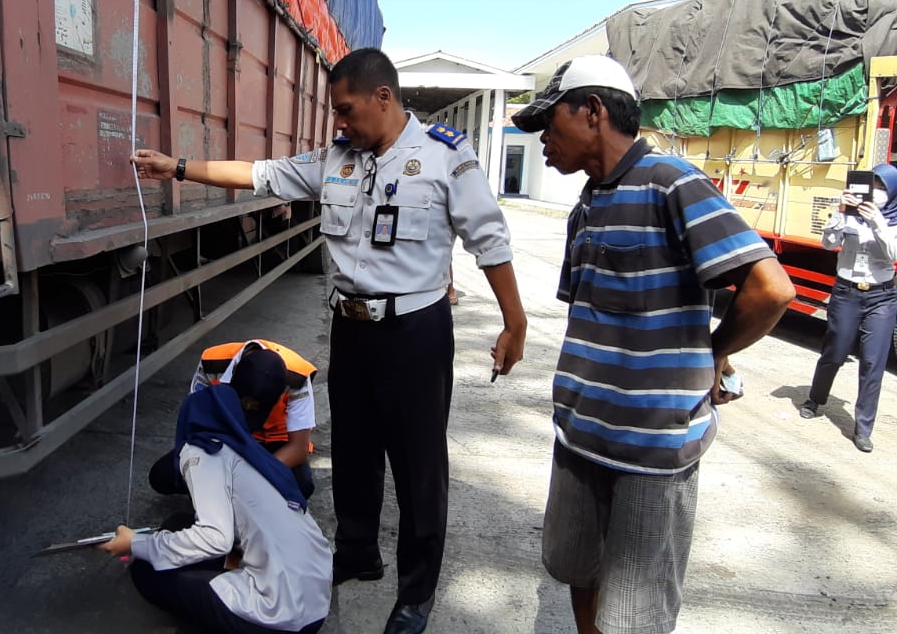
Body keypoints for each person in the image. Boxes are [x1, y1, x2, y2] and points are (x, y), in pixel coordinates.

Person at [133, 47, 527, 634]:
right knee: (355, 451)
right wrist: (179, 167)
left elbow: (488, 239)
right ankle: (359, 553)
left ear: (383, 97)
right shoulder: (336, 160)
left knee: (419, 467)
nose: (339, 123)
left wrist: (513, 320)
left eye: (346, 110)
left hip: (415, 333)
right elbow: (260, 174)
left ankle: (415, 594)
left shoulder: (445, 156)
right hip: (353, 328)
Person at [511, 55, 794, 634]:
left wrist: (714, 352)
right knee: (576, 569)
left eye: (550, 124)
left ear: (592, 112)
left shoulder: (673, 183)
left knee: (635, 617)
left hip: (653, 454)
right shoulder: (586, 206)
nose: (543, 143)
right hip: (580, 434)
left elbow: (770, 289)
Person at [99, 350, 332, 633]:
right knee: (176, 525)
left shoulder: (201, 449)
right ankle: (235, 573)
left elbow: (216, 539)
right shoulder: (251, 451)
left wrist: (133, 544)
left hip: (283, 613)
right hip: (317, 588)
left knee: (147, 570)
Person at [799, 164, 897, 453]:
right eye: (872, 186)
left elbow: (893, 254)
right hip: (846, 292)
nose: (875, 193)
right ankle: (815, 399)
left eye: (882, 188)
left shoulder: (891, 219)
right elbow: (828, 244)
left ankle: (864, 428)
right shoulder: (849, 216)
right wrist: (841, 213)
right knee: (835, 352)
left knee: (872, 362)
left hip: (882, 296)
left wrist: (877, 220)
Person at [149, 339, 318, 498]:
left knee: (301, 486)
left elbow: (298, 448)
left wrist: (249, 476)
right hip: (225, 435)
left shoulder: (297, 377)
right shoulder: (212, 363)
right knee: (163, 476)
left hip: (272, 445)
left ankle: (235, 492)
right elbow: (195, 424)